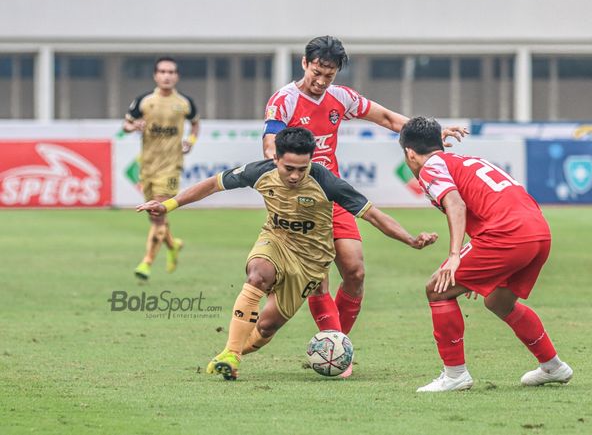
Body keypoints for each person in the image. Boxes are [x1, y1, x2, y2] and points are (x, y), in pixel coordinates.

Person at [137, 127, 438, 381]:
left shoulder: (325, 181)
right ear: (275, 158)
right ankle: (230, 353)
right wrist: (169, 205)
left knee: (266, 327)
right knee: (257, 274)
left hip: (310, 263)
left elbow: (373, 215)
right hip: (275, 241)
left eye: (301, 169)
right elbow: (212, 185)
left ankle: (237, 351)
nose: (294, 176)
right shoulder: (260, 171)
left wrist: (410, 239)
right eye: (288, 168)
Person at [261, 36, 466, 374]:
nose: (322, 81)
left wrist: (432, 135)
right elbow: (271, 142)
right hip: (298, 201)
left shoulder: (340, 97)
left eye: (329, 74)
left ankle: (335, 347)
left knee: (355, 271)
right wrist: (280, 167)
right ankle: (336, 351)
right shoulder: (283, 100)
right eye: (317, 72)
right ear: (304, 64)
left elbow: (386, 118)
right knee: (319, 279)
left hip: (334, 194)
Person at [399, 117, 573, 392]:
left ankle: (455, 375)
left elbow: (455, 204)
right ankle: (553, 366)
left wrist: (456, 255)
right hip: (538, 231)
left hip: (508, 234)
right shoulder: (459, 160)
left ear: (409, 153)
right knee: (498, 302)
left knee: (437, 289)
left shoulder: (431, 167)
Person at [123, 56, 200, 281]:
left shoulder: (184, 103)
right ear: (156, 75)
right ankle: (173, 244)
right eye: (163, 72)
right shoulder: (144, 101)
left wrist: (191, 142)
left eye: (171, 72)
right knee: (154, 216)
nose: (167, 76)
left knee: (157, 214)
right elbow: (126, 124)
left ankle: (146, 262)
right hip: (147, 166)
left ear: (176, 76)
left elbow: (195, 124)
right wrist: (133, 126)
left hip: (171, 166)